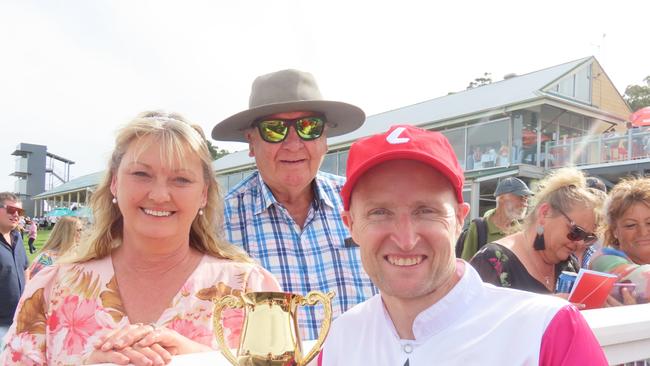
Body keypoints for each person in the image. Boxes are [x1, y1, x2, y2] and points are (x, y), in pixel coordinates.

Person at [1, 111, 279, 365]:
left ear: (204, 193)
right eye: (141, 174)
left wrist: (202, 361)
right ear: (114, 183)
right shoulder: (51, 290)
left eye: (181, 179)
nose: (159, 194)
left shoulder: (251, 291)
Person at [318, 125, 606, 365]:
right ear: (350, 225)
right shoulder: (337, 342)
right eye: (379, 212)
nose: (405, 240)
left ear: (459, 219)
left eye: (426, 211)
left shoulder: (547, 330)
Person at [212, 69, 377, 340]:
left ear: (324, 139)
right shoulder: (216, 226)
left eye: (308, 127)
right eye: (274, 130)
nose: (293, 143)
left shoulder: (364, 204)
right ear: (251, 143)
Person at [470, 167, 603, 294]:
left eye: (588, 238)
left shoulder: (569, 265)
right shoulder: (491, 261)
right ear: (544, 213)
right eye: (576, 232)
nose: (580, 244)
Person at [590, 177, 650, 305]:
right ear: (615, 231)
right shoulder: (603, 260)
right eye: (630, 225)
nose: (643, 232)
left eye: (649, 223)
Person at [459, 177, 532, 261]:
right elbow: (467, 265)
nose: (525, 204)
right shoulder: (479, 227)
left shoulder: (520, 232)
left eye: (526, 200)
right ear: (501, 198)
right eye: (521, 198)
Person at [0, 193, 29, 349]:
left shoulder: (17, 237)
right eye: (11, 209)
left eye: (20, 211)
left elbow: (25, 267)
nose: (16, 214)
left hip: (19, 319)